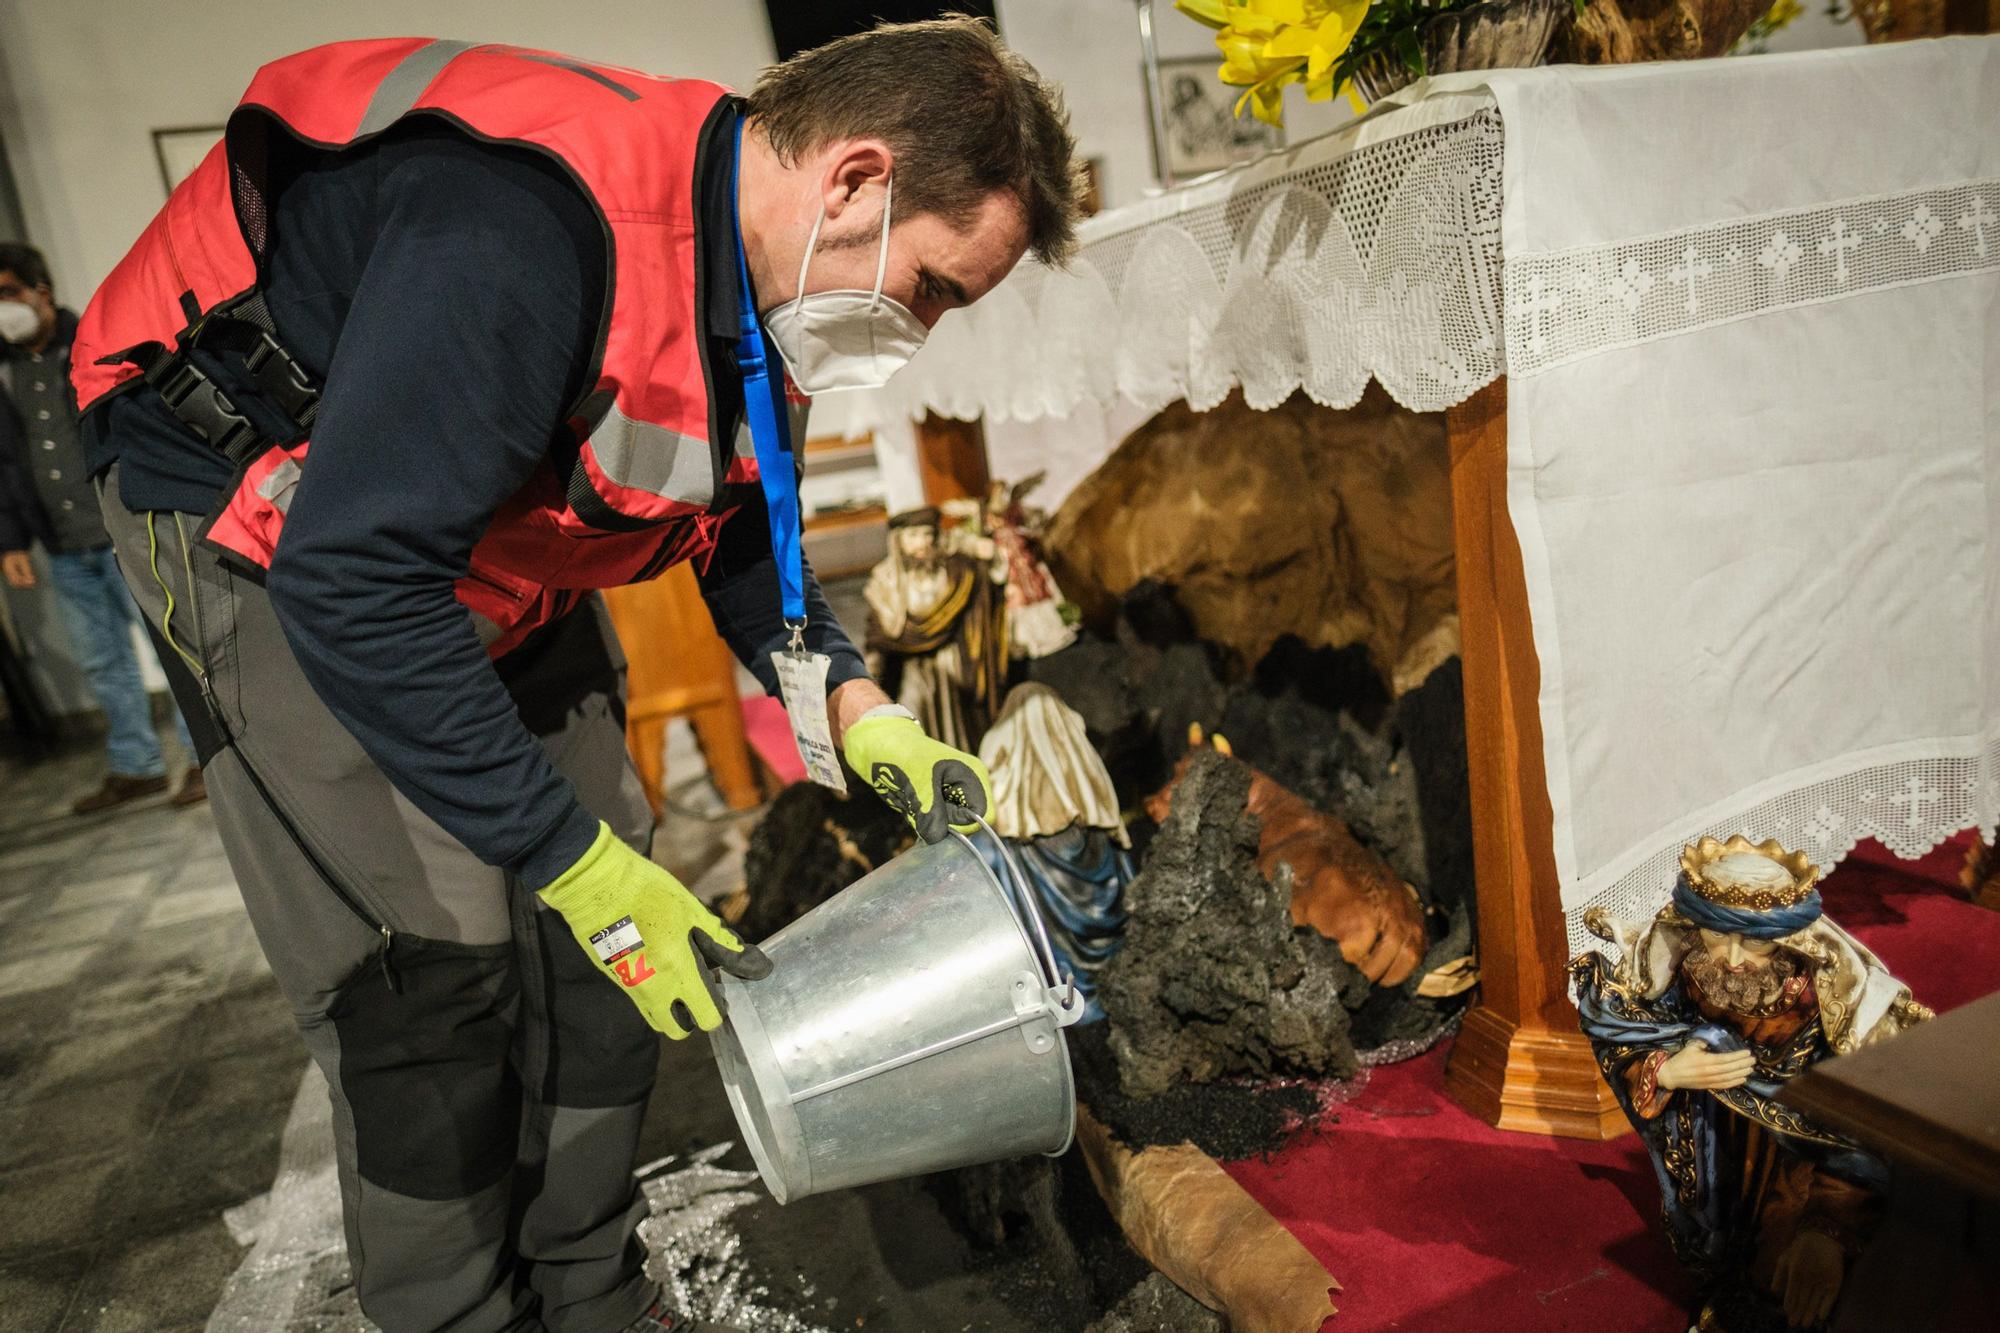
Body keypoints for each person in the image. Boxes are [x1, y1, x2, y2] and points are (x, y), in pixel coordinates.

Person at [72, 19, 1080, 1333]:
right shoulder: (519, 238)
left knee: (607, 941)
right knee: (429, 969)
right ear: (854, 183)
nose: (924, 328)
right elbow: (356, 581)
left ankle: (590, 1294)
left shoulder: (760, 288)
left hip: (456, 526)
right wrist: (569, 858)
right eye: (939, 287)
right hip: (257, 512)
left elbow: (733, 531)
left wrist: (852, 703)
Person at [1572, 836, 1932, 1333]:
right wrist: (1667, 1070)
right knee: (1724, 1252)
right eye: (1718, 935)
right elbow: (1623, 1026)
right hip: (1719, 1148)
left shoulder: (1839, 1010)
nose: (1734, 959)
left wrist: (1827, 1228)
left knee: (1785, 1280)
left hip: (1803, 1167)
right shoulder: (1685, 966)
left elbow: (1864, 1132)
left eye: (1757, 940)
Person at [0, 242, 204, 810]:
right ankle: (134, 765)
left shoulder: (91, 339)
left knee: (169, 644)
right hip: (61, 543)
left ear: (42, 292)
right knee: (101, 659)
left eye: (7, 293)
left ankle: (203, 759)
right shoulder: (4, 370)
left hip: (124, 532)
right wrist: (10, 540)